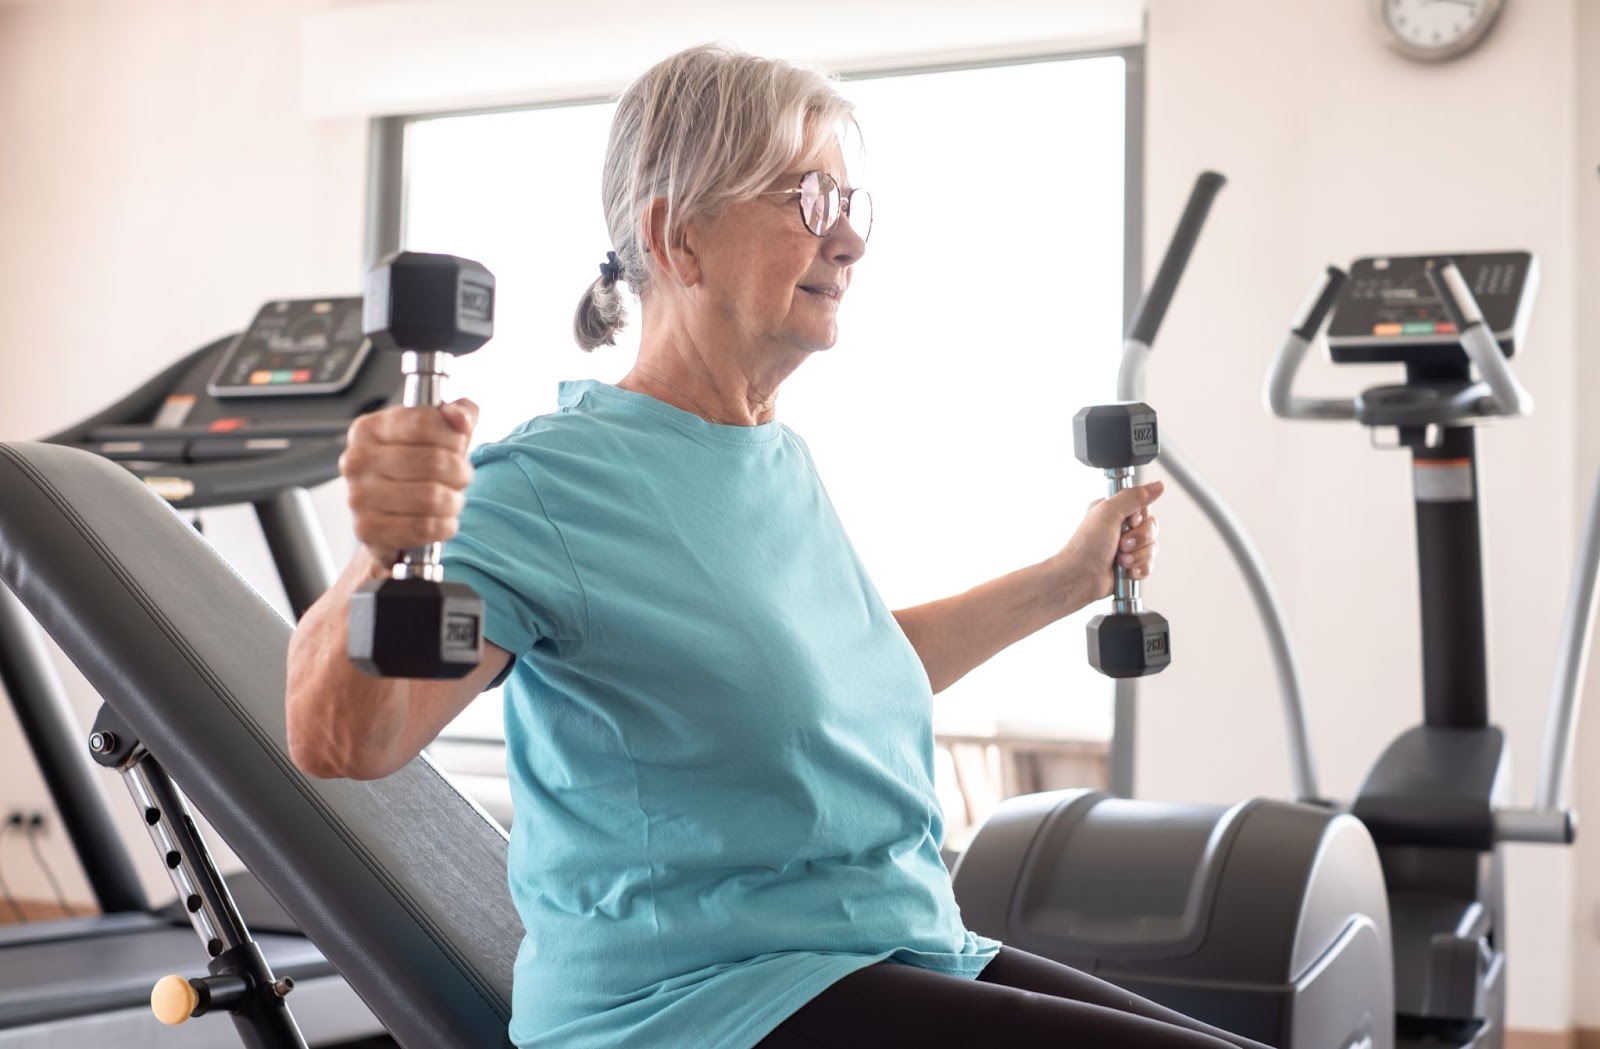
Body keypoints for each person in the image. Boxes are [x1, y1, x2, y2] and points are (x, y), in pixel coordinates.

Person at [287, 44, 1265, 1049]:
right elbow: (345, 742)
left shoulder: (770, 453)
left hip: (894, 945)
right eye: (805, 198)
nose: (847, 239)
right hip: (699, 1006)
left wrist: (1065, 579)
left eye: (850, 201)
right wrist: (386, 544)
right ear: (677, 238)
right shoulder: (547, 483)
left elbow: (843, 678)